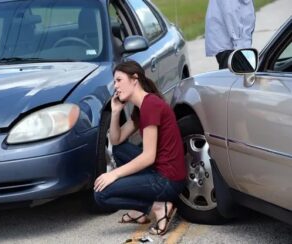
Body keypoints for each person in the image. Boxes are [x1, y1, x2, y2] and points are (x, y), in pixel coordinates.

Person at [94, 60, 187, 236]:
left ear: (134, 79)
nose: (116, 86)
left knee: (101, 194)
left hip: (168, 179)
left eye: (119, 80)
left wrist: (113, 174)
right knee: (119, 149)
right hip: (161, 170)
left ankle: (158, 207)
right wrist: (115, 112)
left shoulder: (150, 106)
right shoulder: (142, 107)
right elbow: (116, 139)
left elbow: (148, 157)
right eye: (115, 82)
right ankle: (139, 212)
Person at [205, 0, 256, 69]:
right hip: (230, 46)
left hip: (235, 44)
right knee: (234, 76)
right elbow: (230, 14)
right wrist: (239, 45)